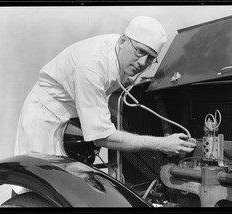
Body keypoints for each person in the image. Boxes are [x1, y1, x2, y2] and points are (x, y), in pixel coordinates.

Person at [14, 16, 196, 162]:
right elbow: (101, 137)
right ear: (124, 40)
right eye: (140, 51)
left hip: (74, 120)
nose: (143, 62)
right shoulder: (90, 67)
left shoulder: (123, 52)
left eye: (150, 58)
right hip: (46, 121)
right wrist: (161, 144)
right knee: (42, 187)